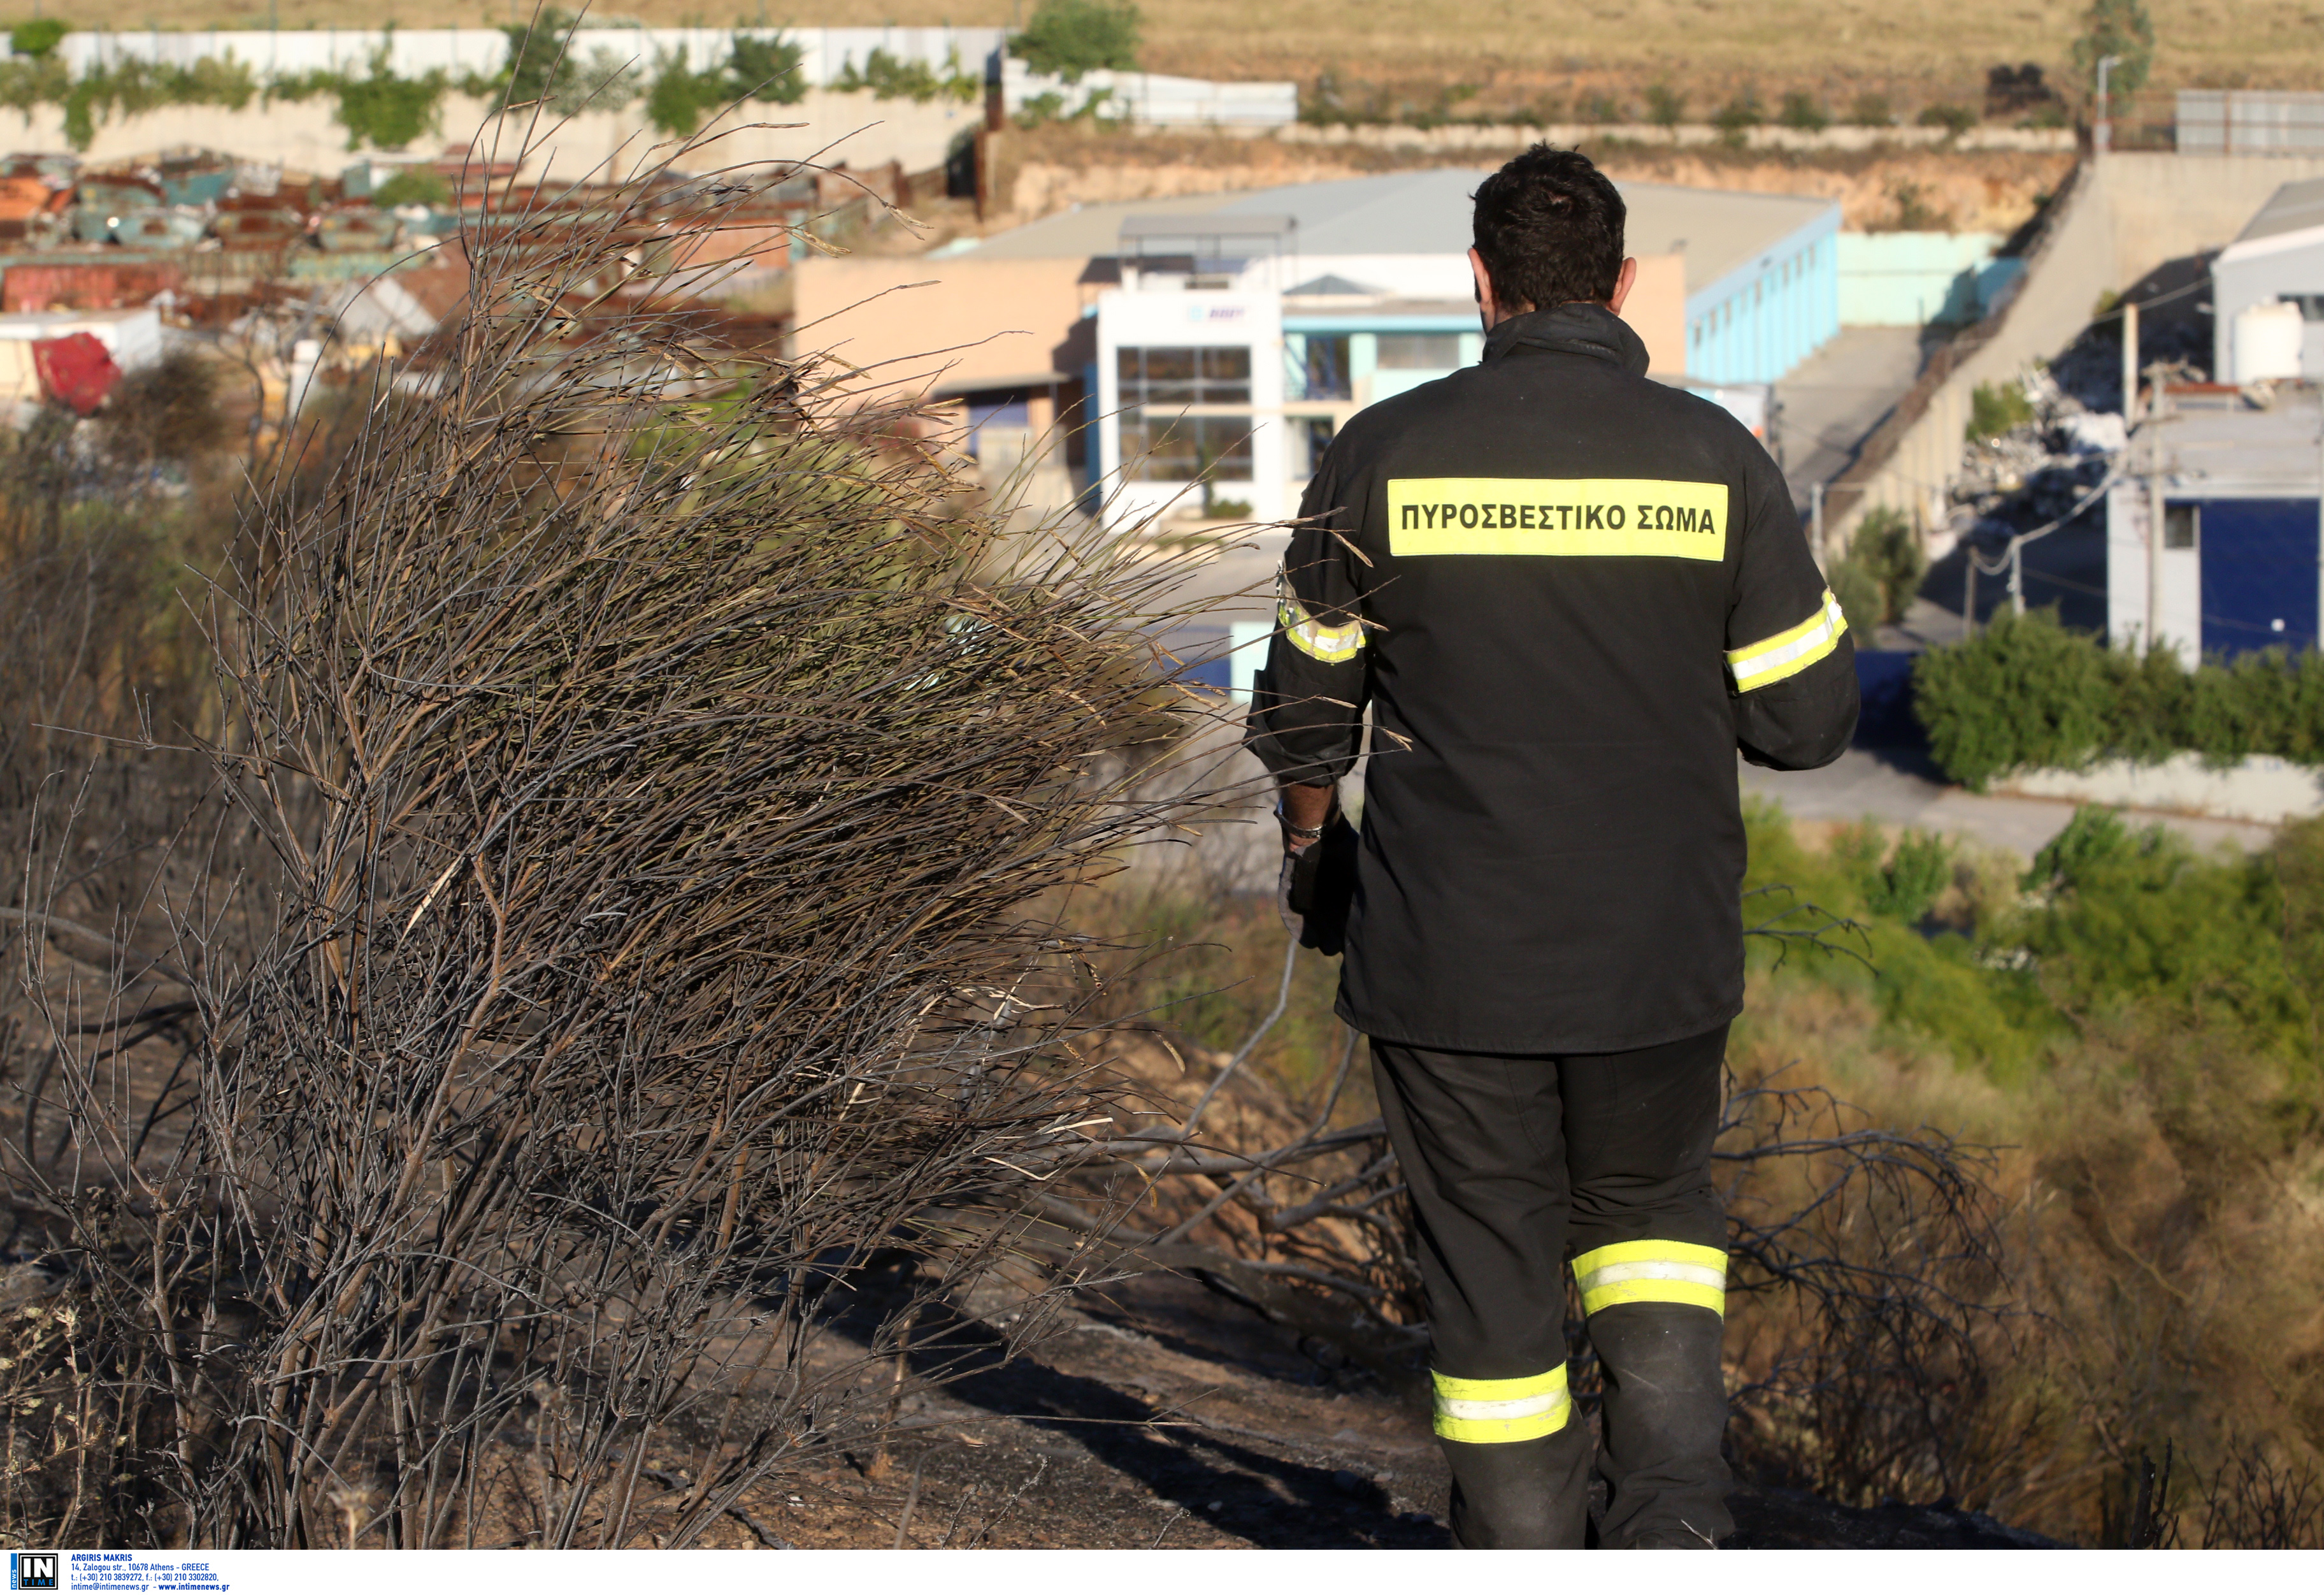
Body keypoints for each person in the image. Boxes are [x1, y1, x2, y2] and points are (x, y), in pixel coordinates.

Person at [1246, 144, 1858, 1549]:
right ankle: (1674, 1543)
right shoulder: (1718, 460)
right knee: (1654, 1244)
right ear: (1623, 285)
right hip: (1658, 967)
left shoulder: (1383, 452)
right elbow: (1812, 717)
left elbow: (1306, 716)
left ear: (1480, 284)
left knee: (1495, 1290)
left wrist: (1308, 852)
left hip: (1449, 972)